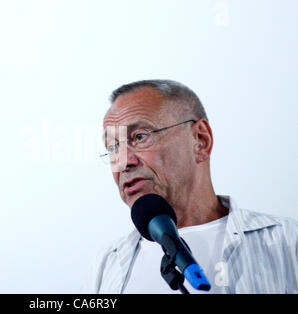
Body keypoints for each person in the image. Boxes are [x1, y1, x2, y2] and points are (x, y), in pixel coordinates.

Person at [82, 80, 297, 294]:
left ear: (200, 140)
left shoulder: (288, 242)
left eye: (140, 137)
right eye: (113, 147)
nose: (124, 161)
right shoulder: (106, 264)